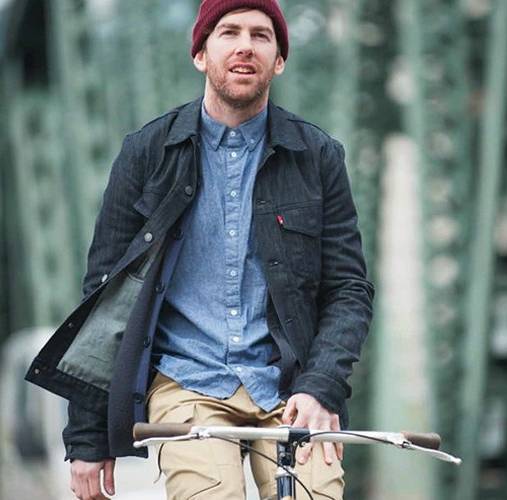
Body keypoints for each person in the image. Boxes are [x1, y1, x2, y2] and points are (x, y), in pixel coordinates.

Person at [25, 0, 374, 498]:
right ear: (200, 54)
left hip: (290, 385)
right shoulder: (147, 153)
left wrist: (321, 387)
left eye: (261, 35)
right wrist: (87, 438)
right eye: (229, 32)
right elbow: (105, 297)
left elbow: (348, 289)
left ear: (279, 61)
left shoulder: (317, 157)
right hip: (186, 382)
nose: (245, 46)